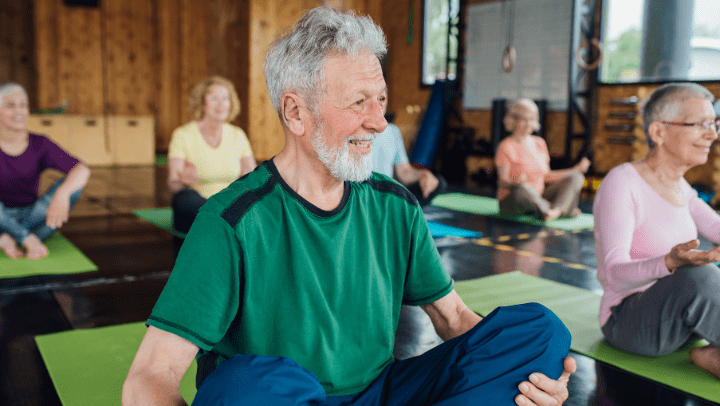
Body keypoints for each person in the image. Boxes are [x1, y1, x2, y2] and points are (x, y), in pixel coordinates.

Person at [123, 7, 576, 406]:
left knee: (539, 332)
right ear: (296, 113)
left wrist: (528, 373)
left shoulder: (395, 205)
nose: (379, 122)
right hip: (287, 400)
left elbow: (454, 318)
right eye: (359, 103)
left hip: (383, 392)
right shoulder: (232, 220)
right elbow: (150, 375)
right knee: (245, 386)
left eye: (380, 100)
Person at [594, 82, 720, 380]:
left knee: (703, 273)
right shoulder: (622, 183)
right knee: (698, 275)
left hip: (681, 322)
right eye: (700, 124)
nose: (713, 133)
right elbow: (612, 273)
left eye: (714, 124)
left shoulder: (681, 187)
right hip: (629, 322)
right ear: (659, 132)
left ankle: (711, 355)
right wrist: (670, 263)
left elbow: (716, 226)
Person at [0, 82, 90, 260]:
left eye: (23, 105)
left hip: (33, 214)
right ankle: (26, 238)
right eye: (10, 105)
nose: (19, 111)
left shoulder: (40, 143)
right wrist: (27, 237)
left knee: (72, 186)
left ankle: (8, 237)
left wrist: (62, 194)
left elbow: (82, 169)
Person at [167, 76, 256, 236]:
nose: (221, 104)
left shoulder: (238, 135)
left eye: (225, 98)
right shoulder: (183, 135)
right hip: (198, 205)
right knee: (184, 199)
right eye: (214, 98)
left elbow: (252, 179)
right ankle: (224, 221)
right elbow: (173, 185)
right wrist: (183, 182)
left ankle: (222, 221)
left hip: (229, 203)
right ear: (202, 103)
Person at [495, 99, 590, 221]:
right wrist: (515, 183)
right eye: (523, 119)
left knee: (576, 177)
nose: (528, 124)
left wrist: (575, 170)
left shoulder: (540, 143)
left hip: (539, 197)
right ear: (514, 121)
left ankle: (555, 211)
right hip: (513, 199)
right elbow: (502, 182)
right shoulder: (506, 146)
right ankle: (562, 209)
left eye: (531, 119)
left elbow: (547, 176)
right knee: (523, 189)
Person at [371, 109, 445, 205]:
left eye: (382, 98)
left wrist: (423, 174)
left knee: (439, 183)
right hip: (360, 195)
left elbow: (404, 171)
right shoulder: (353, 130)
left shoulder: (393, 131)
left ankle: (402, 214)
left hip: (384, 195)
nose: (379, 103)